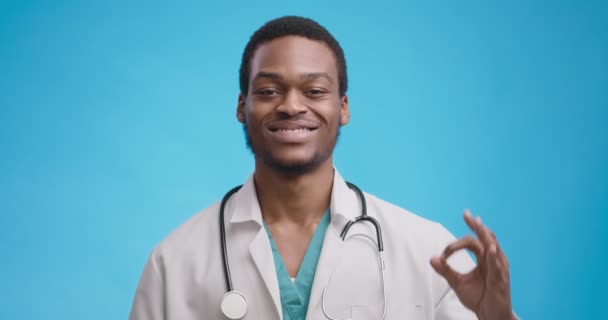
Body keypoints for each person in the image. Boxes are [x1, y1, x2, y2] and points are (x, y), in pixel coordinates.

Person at [130, 16, 516, 320]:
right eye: (268, 91)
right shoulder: (175, 262)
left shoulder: (427, 251)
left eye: (314, 91)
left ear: (343, 108)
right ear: (240, 107)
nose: (292, 106)